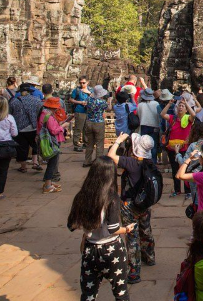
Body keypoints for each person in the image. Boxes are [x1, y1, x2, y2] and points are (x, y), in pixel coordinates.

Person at [67, 156, 135, 301]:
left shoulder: (82, 196)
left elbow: (71, 225)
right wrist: (127, 229)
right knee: (121, 293)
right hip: (111, 248)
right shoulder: (112, 197)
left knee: (88, 294)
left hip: (90, 248)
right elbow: (113, 228)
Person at [107, 132, 157, 284]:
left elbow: (110, 157)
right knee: (146, 230)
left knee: (132, 237)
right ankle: (149, 257)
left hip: (129, 204)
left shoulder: (131, 162)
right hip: (144, 203)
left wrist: (118, 141)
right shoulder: (149, 162)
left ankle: (134, 272)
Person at [161, 97, 196, 197]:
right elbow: (162, 114)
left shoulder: (188, 118)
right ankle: (177, 189)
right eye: (179, 106)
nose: (180, 107)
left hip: (184, 148)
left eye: (182, 106)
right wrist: (169, 104)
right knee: (175, 169)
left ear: (186, 109)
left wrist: (187, 104)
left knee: (186, 169)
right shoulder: (173, 118)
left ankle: (188, 191)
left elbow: (193, 114)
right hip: (172, 148)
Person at [38, 97, 70, 193]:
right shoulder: (48, 116)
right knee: (52, 164)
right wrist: (63, 126)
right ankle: (47, 185)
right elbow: (54, 130)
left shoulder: (43, 113)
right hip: (52, 142)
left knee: (51, 163)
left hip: (47, 141)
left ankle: (49, 182)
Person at [10, 83, 43, 173]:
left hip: (20, 128)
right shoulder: (37, 101)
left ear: (21, 92)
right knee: (34, 145)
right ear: (29, 92)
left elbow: (10, 113)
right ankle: (35, 162)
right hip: (33, 127)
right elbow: (40, 113)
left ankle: (23, 166)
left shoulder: (14, 101)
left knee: (22, 147)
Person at [84, 85, 113, 167]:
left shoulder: (89, 99)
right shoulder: (102, 102)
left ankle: (87, 161)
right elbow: (109, 108)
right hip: (99, 123)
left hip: (89, 122)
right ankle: (98, 162)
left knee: (90, 143)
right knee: (99, 144)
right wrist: (110, 101)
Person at [0, 97, 18, 199]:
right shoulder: (9, 118)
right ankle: (0, 192)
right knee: (3, 170)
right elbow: (14, 133)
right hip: (6, 145)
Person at [69, 76, 92, 152]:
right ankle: (76, 144)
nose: (82, 84)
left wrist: (89, 93)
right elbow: (71, 99)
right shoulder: (77, 90)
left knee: (87, 128)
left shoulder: (90, 90)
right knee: (78, 128)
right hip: (79, 110)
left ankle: (86, 143)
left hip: (88, 111)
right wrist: (80, 102)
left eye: (84, 83)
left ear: (87, 82)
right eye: (80, 83)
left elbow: (96, 98)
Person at [137, 88, 161, 160]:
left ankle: (144, 161)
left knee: (143, 144)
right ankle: (153, 162)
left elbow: (138, 115)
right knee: (153, 145)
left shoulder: (140, 105)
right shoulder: (156, 104)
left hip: (144, 125)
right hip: (155, 126)